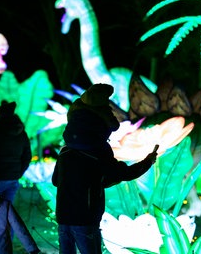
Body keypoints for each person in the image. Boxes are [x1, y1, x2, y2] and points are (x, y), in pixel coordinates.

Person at [51, 83, 157, 254]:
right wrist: (148, 161)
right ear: (101, 126)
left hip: (63, 217)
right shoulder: (97, 151)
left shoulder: (65, 151)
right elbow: (123, 173)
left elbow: (56, 180)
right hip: (85, 219)